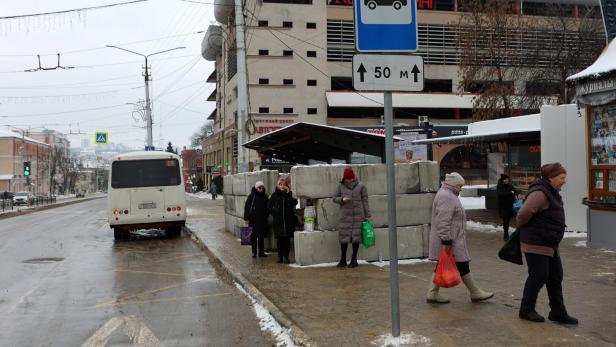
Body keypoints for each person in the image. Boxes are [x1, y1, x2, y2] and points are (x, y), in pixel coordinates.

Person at [516, 163, 578, 324]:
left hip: (550, 243)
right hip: (536, 242)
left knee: (555, 276)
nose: (564, 181)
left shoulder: (551, 192)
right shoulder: (540, 193)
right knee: (539, 276)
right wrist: (531, 229)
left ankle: (558, 312)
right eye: (562, 178)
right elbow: (522, 214)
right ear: (551, 177)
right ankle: (526, 309)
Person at [427, 172, 493, 304]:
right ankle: (475, 292)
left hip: (453, 239)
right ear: (452, 185)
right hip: (451, 240)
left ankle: (432, 293)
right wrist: (446, 240)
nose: (461, 188)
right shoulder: (446, 196)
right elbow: (443, 221)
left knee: (444, 265)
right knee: (463, 265)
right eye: (459, 186)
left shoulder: (449, 194)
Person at [332, 168, 371, 268]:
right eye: (347, 178)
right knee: (344, 238)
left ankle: (354, 260)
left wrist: (367, 215)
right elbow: (334, 198)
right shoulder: (340, 186)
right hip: (345, 216)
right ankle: (343, 259)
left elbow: (365, 201)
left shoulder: (361, 186)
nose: (349, 180)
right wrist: (342, 199)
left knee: (355, 238)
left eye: (351, 178)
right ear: (345, 178)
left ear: (353, 177)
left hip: (358, 215)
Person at [269, 177, 298, 264]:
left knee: (287, 240)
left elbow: (295, 202)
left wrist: (288, 193)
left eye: (284, 185)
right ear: (278, 185)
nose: (282, 186)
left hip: (288, 221)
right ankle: (279, 256)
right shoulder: (274, 195)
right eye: (280, 184)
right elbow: (269, 206)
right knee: (280, 240)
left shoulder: (288, 194)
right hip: (278, 221)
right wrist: (275, 212)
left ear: (286, 186)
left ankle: (286, 257)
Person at [244, 181, 269, 258]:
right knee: (253, 237)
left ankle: (261, 252)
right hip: (253, 219)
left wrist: (266, 215)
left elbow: (268, 207)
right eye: (259, 187)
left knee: (261, 237)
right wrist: (246, 218)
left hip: (262, 220)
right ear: (256, 188)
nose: (261, 189)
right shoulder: (251, 196)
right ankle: (254, 252)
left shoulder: (265, 197)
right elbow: (247, 207)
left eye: (262, 187)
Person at [497, 174, 517, 241]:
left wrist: (515, 194)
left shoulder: (510, 186)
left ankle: (508, 235)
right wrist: (510, 193)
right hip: (503, 207)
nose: (507, 180)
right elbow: (500, 195)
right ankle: (506, 235)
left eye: (508, 179)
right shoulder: (500, 186)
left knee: (508, 221)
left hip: (510, 206)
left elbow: (515, 191)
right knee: (505, 221)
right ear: (503, 180)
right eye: (505, 179)